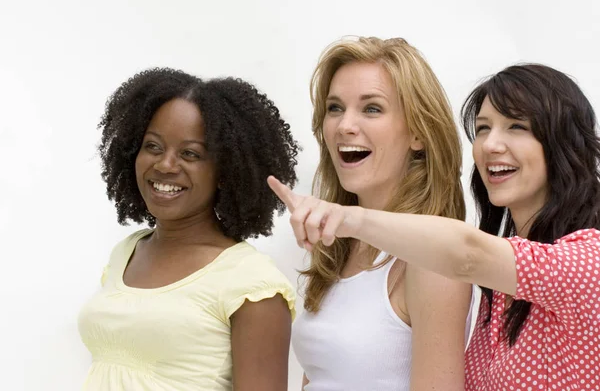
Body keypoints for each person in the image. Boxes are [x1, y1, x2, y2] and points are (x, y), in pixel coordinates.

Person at [269, 63, 600, 390]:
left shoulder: (588, 261)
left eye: (516, 127)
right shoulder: (500, 291)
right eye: (483, 128)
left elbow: (466, 254)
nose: (490, 145)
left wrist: (349, 218)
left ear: (562, 143)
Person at [78, 68, 300, 391]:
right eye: (153, 146)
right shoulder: (125, 253)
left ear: (225, 171)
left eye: (190, 154)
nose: (166, 165)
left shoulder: (251, 283)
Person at [287, 36, 472, 391]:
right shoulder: (337, 246)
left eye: (371, 108)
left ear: (418, 132)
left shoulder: (430, 258)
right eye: (335, 108)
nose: (344, 126)